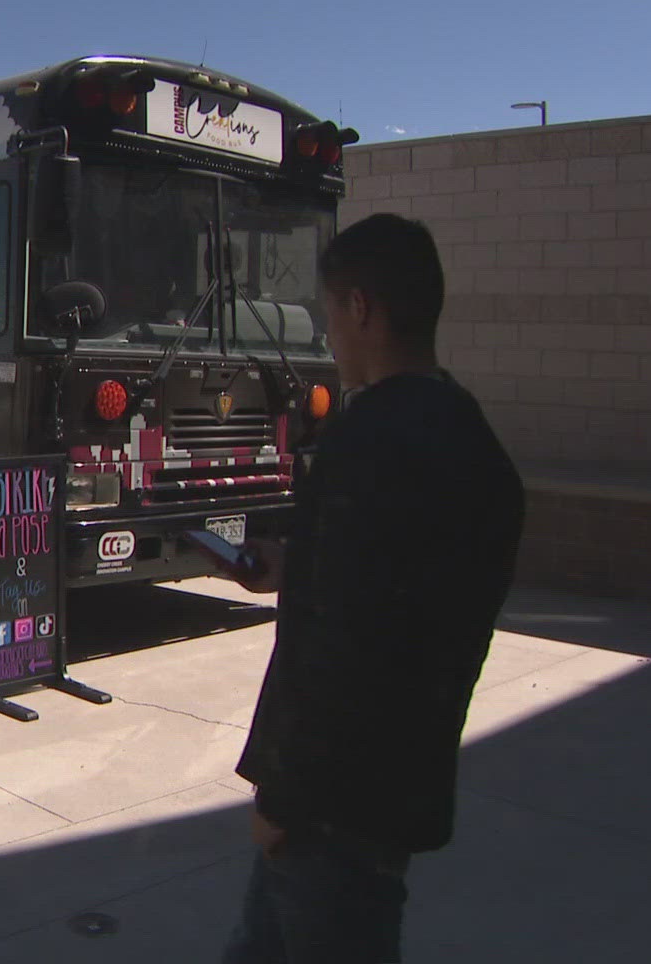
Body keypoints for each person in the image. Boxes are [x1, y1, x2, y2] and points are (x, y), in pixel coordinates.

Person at [219, 214, 524, 963]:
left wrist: (282, 801)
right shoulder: (471, 439)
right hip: (402, 787)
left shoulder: (367, 443)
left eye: (329, 314)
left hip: (331, 812)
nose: (330, 337)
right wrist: (298, 568)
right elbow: (408, 590)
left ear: (361, 308)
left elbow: (349, 649)